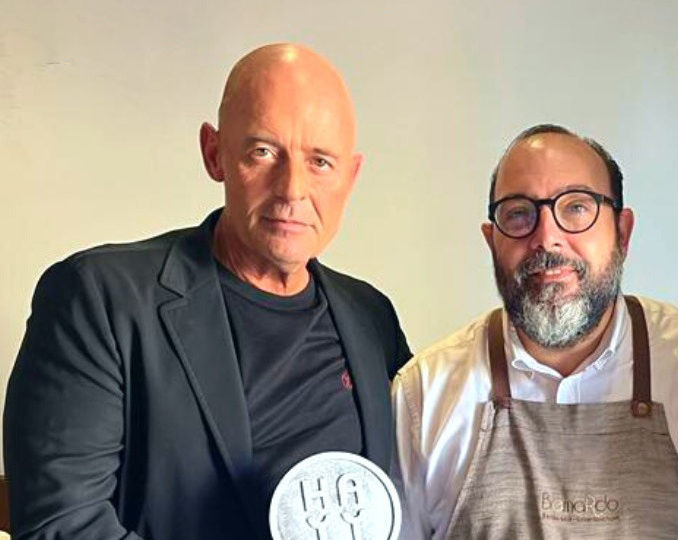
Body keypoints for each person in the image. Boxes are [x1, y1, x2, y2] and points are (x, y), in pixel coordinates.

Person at [4, 43, 411, 539]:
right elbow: (62, 524)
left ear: (351, 175)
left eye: (320, 161)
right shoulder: (98, 298)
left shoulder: (372, 318)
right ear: (214, 154)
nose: (292, 189)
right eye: (264, 152)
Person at [392, 124, 678, 539]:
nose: (547, 238)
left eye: (576, 208)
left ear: (622, 232)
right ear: (492, 240)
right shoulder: (426, 393)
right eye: (519, 213)